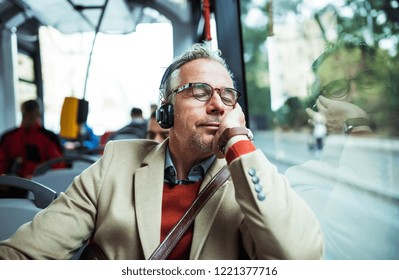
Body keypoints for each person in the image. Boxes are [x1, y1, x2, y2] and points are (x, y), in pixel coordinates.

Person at [0, 42, 323, 260]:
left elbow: (300, 257)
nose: (216, 105)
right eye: (200, 91)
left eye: (228, 96)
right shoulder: (115, 164)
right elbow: (25, 256)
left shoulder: (251, 177)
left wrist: (238, 140)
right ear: (165, 112)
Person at [286, 36, 399, 259]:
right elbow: (358, 251)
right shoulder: (302, 179)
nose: (355, 94)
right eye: (337, 87)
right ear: (321, 106)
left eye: (368, 79)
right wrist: (357, 124)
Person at [0, 99, 64, 180]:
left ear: (38, 115)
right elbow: (1, 161)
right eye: (25, 116)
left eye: (31, 117)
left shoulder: (49, 138)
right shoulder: (8, 137)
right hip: (14, 183)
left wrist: (40, 178)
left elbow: (58, 165)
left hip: (42, 183)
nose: (28, 120)